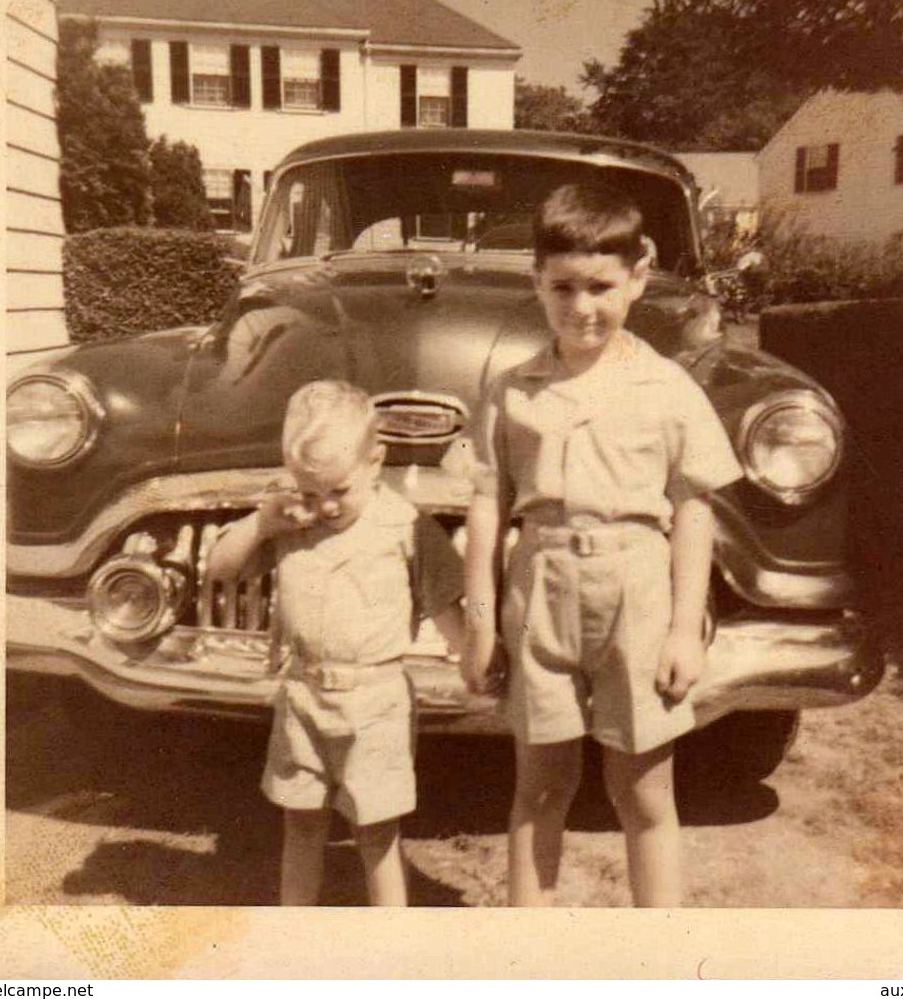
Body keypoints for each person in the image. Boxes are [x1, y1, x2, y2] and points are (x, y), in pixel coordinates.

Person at [462, 182, 743, 907]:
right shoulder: (512, 389)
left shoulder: (667, 387)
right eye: (561, 287)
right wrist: (479, 618)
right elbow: (486, 504)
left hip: (637, 595)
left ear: (638, 278)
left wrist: (684, 628)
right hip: (541, 592)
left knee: (642, 794)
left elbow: (692, 508)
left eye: (600, 286)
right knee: (540, 790)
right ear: (535, 280)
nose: (581, 306)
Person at [207, 380, 465, 906]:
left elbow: (454, 602)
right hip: (303, 698)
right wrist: (261, 524)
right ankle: (296, 935)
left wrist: (483, 651)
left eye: (338, 491)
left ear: (376, 461)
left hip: (375, 704)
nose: (323, 507)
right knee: (300, 826)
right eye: (309, 491)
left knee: (377, 835)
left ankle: (389, 946)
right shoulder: (285, 523)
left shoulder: (406, 527)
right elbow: (219, 568)